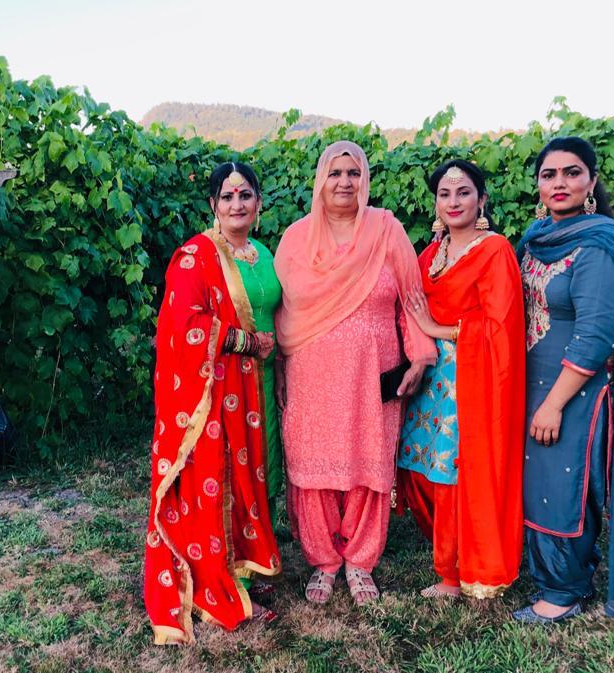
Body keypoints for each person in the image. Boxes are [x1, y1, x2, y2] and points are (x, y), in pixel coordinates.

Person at [274, 140, 436, 606]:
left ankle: (361, 560)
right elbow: (281, 311)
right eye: (335, 173)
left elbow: (411, 300)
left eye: (354, 173)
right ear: (320, 181)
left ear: (365, 179)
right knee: (312, 462)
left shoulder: (386, 229)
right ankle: (324, 560)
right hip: (311, 373)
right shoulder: (296, 239)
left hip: (373, 373)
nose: (345, 182)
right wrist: (280, 367)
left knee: (370, 461)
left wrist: (419, 356)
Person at [144, 161, 282, 645]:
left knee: (254, 474)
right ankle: (213, 583)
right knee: (216, 477)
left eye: (245, 195)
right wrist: (246, 343)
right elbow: (183, 324)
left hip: (258, 385)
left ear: (258, 203)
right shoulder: (195, 256)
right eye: (227, 197)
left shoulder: (262, 254)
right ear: (212, 205)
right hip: (214, 391)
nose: (237, 204)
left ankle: (242, 567)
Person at [512, 137, 614, 623]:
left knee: (562, 486)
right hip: (529, 384)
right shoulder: (536, 238)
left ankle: (563, 591)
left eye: (572, 173)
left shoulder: (598, 245)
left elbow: (594, 337)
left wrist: (553, 404)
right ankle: (548, 574)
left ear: (591, 181)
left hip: (573, 391)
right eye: (549, 174)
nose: (560, 183)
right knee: (536, 482)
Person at [399, 159, 525, 600]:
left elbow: (501, 326)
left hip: (473, 377)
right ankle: (449, 557)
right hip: (431, 378)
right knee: (425, 469)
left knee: (454, 471)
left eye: (464, 192)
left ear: (482, 200)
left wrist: (436, 329)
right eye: (445, 194)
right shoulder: (430, 255)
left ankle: (456, 573)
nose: (453, 202)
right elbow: (407, 305)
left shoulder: (494, 251)